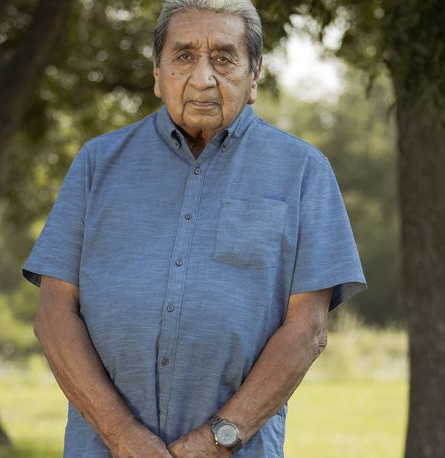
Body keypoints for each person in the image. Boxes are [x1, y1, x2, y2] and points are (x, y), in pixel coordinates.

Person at [22, 0, 367, 456]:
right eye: (184, 56)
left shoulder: (303, 171)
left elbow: (307, 330)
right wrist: (122, 436)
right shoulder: (97, 164)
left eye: (224, 58)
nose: (203, 78)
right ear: (157, 72)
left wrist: (218, 439)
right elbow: (53, 317)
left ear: (255, 73)